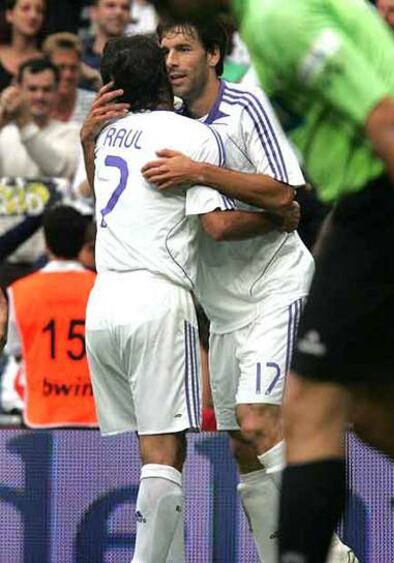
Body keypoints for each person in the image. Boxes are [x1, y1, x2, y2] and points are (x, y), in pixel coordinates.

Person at [154, 1, 394, 562]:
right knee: (365, 416)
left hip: (304, 265)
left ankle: (328, 556)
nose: (171, 59)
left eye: (183, 46)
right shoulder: (168, 123)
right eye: (164, 48)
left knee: (283, 414)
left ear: (215, 53)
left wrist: (203, 176)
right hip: (231, 302)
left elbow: (286, 194)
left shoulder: (271, 40)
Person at [83, 33, 286, 563]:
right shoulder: (188, 135)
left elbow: (102, 197)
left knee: (148, 455)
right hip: (157, 298)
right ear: (161, 75)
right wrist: (279, 215)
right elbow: (217, 224)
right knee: (165, 453)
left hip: (103, 302)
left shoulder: (105, 137)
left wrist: (88, 140)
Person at [3, 205, 97, 427]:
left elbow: (15, 350)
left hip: (43, 410)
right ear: (82, 242)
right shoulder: (102, 287)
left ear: (46, 245)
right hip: (95, 412)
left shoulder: (19, 291)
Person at [0, 57, 80, 286]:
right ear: (18, 89)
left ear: (57, 92)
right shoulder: (4, 134)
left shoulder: (71, 133)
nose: (39, 96)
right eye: (32, 89)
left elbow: (59, 168)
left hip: (49, 262)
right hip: (6, 259)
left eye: (46, 89)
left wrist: (24, 124)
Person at [42, 32, 96, 124]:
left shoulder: (94, 105)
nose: (68, 75)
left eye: (73, 68)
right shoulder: (35, 102)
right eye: (61, 67)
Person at [80, 0, 131, 89]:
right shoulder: (77, 52)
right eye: (110, 6)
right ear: (93, 12)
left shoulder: (139, 57)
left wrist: (95, 77)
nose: (119, 12)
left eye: (125, 7)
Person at [0, 0, 46, 91]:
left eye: (39, 10)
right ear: (9, 15)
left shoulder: (48, 60)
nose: (33, 16)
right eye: (25, 8)